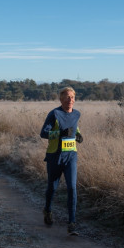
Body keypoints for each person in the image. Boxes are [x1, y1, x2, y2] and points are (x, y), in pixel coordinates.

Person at [40, 87, 83, 235]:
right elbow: (43, 133)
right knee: (52, 187)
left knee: (72, 187)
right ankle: (47, 210)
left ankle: (72, 222)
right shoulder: (54, 114)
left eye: (72, 97)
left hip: (71, 156)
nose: (70, 100)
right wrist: (60, 134)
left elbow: (74, 128)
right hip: (55, 157)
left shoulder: (77, 114)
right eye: (67, 97)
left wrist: (78, 135)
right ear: (61, 99)